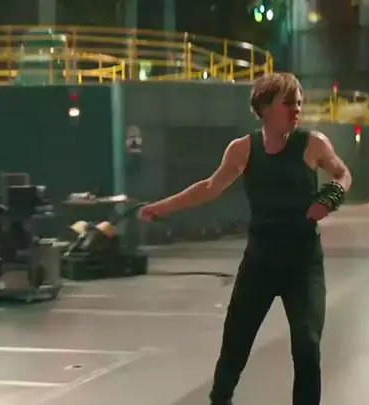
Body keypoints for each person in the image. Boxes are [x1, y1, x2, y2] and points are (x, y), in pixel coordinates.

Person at [139, 72, 352, 405]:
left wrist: (333, 194)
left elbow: (342, 173)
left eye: (299, 103)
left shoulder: (314, 144)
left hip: (304, 264)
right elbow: (210, 187)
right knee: (235, 344)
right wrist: (161, 207)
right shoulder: (243, 149)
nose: (296, 109)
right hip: (260, 263)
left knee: (307, 344)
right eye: (288, 103)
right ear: (265, 107)